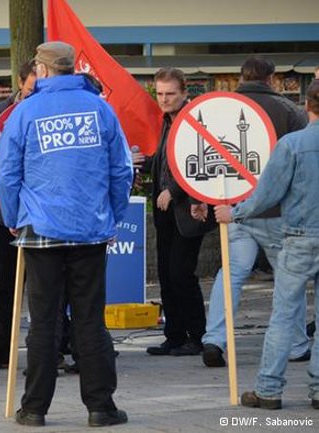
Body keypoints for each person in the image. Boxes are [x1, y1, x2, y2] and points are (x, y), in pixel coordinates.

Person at [0, 41, 132, 427]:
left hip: (41, 229)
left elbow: (8, 173)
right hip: (90, 229)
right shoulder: (100, 109)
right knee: (90, 319)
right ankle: (101, 407)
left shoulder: (25, 112)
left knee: (44, 321)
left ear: (41, 70)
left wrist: (12, 216)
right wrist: (111, 216)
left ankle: (34, 408)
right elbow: (121, 170)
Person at [214, 80, 319, 410]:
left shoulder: (292, 145)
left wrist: (236, 213)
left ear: (307, 105)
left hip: (299, 238)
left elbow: (267, 194)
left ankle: (269, 390)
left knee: (284, 315)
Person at [201, 56, 309, 368]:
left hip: (235, 207)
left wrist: (205, 197)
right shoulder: (290, 111)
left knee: (231, 273)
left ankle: (215, 339)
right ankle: (297, 344)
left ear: (242, 77)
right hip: (277, 211)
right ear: (271, 79)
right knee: (290, 278)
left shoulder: (223, 107)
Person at [145, 68, 214, 357]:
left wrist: (172, 190)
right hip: (166, 212)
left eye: (170, 93)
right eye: (160, 94)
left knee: (181, 273)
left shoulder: (193, 120)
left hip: (188, 210)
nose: (164, 99)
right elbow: (168, 160)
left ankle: (197, 336)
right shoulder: (165, 121)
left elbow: (197, 161)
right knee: (165, 273)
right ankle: (174, 334)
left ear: (185, 93)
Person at [0, 61, 37, 370]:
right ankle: (0, 348)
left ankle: (49, 348)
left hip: (40, 215)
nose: (33, 95)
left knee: (46, 286)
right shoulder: (0, 114)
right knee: (5, 284)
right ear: (20, 83)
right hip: (9, 214)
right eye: (30, 89)